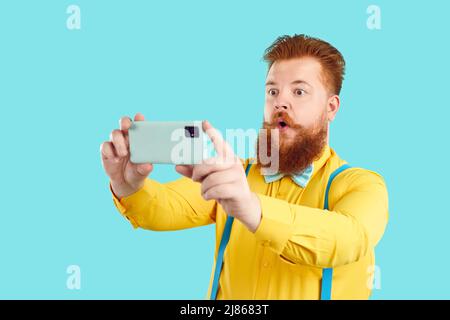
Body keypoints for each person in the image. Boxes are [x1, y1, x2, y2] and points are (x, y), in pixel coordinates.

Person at [100, 34, 389, 300]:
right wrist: (128, 186)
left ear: (331, 107)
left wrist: (253, 209)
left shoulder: (362, 185)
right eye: (272, 91)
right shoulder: (236, 174)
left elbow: (349, 239)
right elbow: (164, 207)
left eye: (299, 92)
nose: (281, 102)